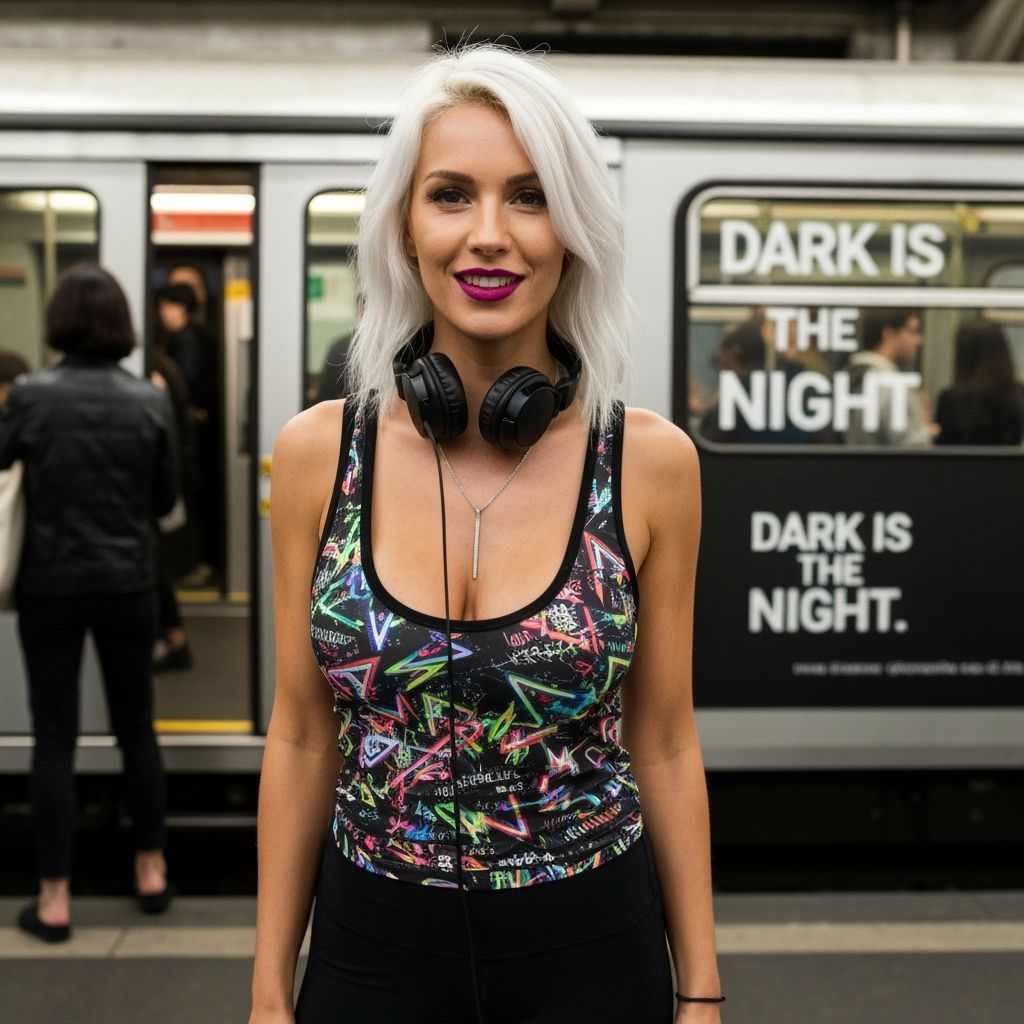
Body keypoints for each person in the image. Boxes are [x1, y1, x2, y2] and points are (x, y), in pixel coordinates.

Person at [250, 45, 722, 1024]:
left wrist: (701, 990)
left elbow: (665, 740)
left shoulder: (647, 462)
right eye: (452, 195)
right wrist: (266, 992)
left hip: (592, 955)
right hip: (369, 953)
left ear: (575, 229)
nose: (490, 236)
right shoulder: (313, 457)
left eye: (531, 197)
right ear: (404, 229)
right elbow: (299, 735)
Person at [0, 264, 179, 942]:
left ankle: (53, 899)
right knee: (137, 728)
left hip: (50, 585)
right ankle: (152, 869)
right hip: (129, 584)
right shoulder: (149, 399)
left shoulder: (31, 396)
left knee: (54, 737)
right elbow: (165, 503)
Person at [844, 308, 936, 446]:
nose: (918, 341)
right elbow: (910, 447)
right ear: (889, 334)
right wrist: (926, 431)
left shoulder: (853, 375)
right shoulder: (889, 384)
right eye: (912, 331)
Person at [935, 317, 1024, 446]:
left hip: (962, 466)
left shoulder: (950, 400)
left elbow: (942, 449)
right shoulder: (1017, 395)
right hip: (1010, 466)